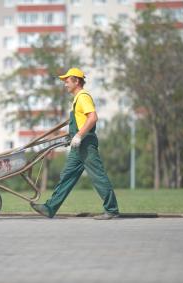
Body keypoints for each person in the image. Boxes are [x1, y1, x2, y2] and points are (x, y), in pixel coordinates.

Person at [30, 67, 119, 220]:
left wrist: (78, 135)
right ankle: (50, 208)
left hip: (86, 144)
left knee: (98, 176)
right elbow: (79, 122)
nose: (65, 83)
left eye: (67, 80)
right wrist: (68, 137)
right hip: (78, 145)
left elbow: (93, 118)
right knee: (67, 176)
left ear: (76, 81)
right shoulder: (76, 99)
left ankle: (111, 210)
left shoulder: (83, 96)